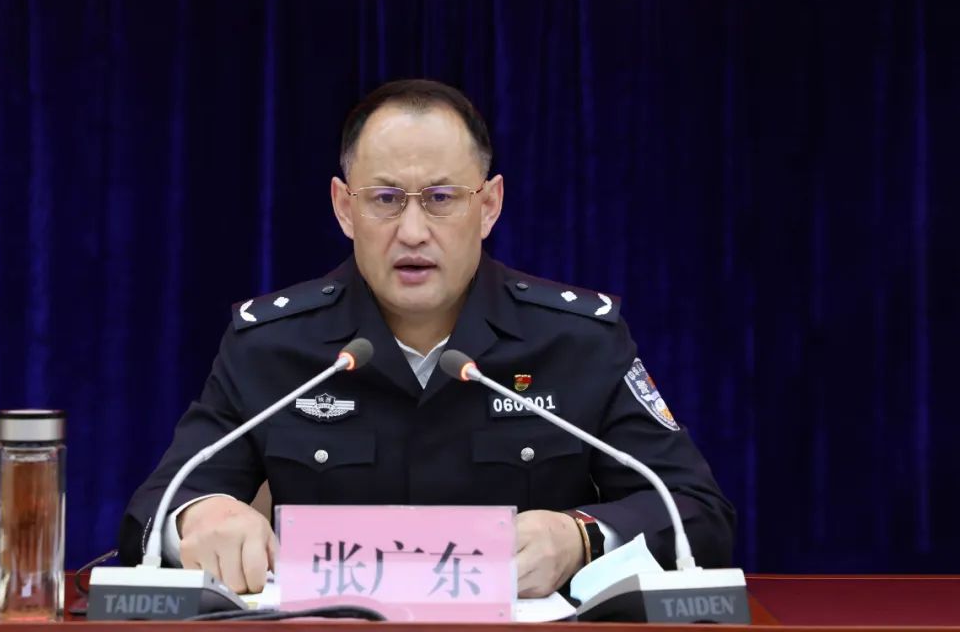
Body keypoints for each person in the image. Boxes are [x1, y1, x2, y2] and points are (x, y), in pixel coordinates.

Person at [117, 79, 734, 598]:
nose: (412, 231)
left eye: (441, 198)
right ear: (343, 207)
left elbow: (697, 511)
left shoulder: (577, 340)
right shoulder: (272, 345)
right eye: (385, 199)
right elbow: (156, 507)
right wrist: (198, 517)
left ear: (489, 206)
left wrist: (580, 537)